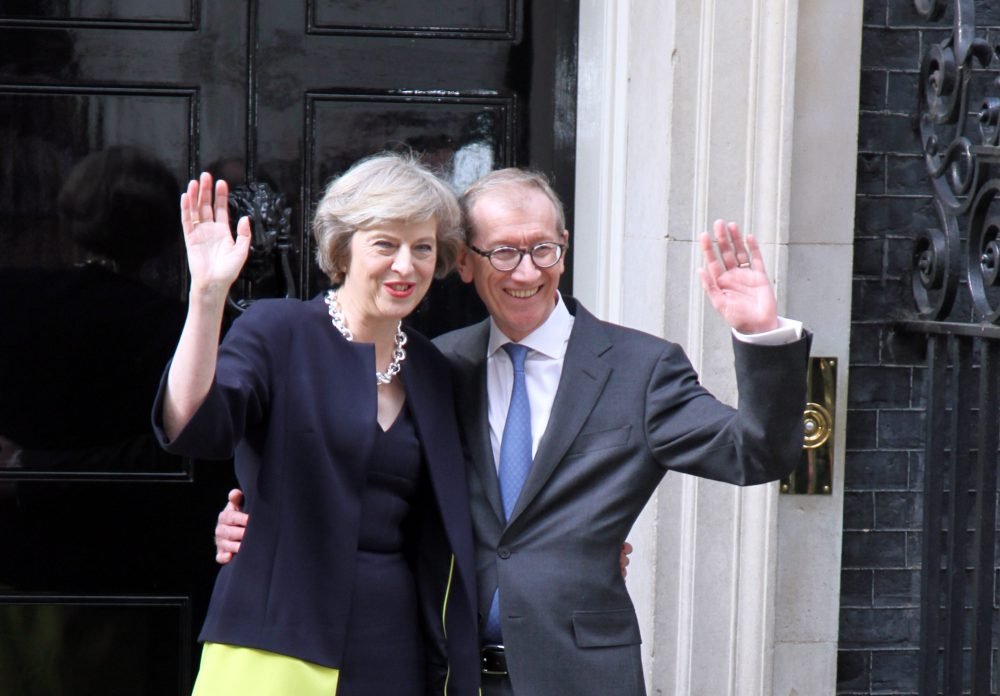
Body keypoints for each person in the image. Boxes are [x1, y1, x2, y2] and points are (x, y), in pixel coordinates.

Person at [216, 167, 810, 695]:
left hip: (578, 674)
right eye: (503, 252)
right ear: (466, 262)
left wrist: (761, 336)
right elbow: (383, 483)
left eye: (543, 249)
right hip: (447, 669)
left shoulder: (641, 369)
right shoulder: (437, 367)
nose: (526, 271)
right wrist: (258, 519)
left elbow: (756, 453)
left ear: (565, 249)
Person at [153, 153, 479, 695]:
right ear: (343, 248)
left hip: (392, 643)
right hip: (272, 630)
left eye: (422, 247)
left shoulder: (434, 370)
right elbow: (195, 428)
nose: (406, 266)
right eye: (385, 244)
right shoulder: (277, 330)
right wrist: (207, 299)